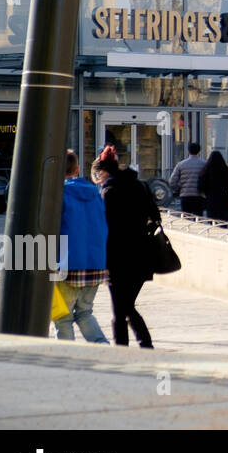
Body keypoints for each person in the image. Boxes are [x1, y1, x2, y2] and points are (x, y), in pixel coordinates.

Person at [93, 146, 157, 349]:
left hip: (118, 259)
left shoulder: (109, 192)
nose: (97, 179)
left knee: (121, 309)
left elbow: (104, 229)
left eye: (97, 174)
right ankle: (144, 345)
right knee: (126, 306)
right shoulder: (141, 186)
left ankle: (127, 348)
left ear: (104, 172)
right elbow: (155, 217)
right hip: (143, 256)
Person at [54, 150, 110, 344]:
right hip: (95, 264)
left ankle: (67, 357)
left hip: (67, 265)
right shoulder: (94, 194)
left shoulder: (57, 195)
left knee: (63, 317)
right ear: (77, 169)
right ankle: (101, 345)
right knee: (85, 312)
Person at [199, 150, 228, 222]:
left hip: (211, 200)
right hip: (224, 200)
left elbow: (201, 187)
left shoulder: (205, 172)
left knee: (212, 222)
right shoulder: (226, 171)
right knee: (223, 223)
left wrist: (207, 195)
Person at [169, 142, 206, 215]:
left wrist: (178, 189)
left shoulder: (181, 164)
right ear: (199, 151)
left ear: (188, 151)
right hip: (199, 196)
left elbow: (172, 182)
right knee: (199, 219)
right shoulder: (204, 164)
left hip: (185, 195)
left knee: (186, 219)